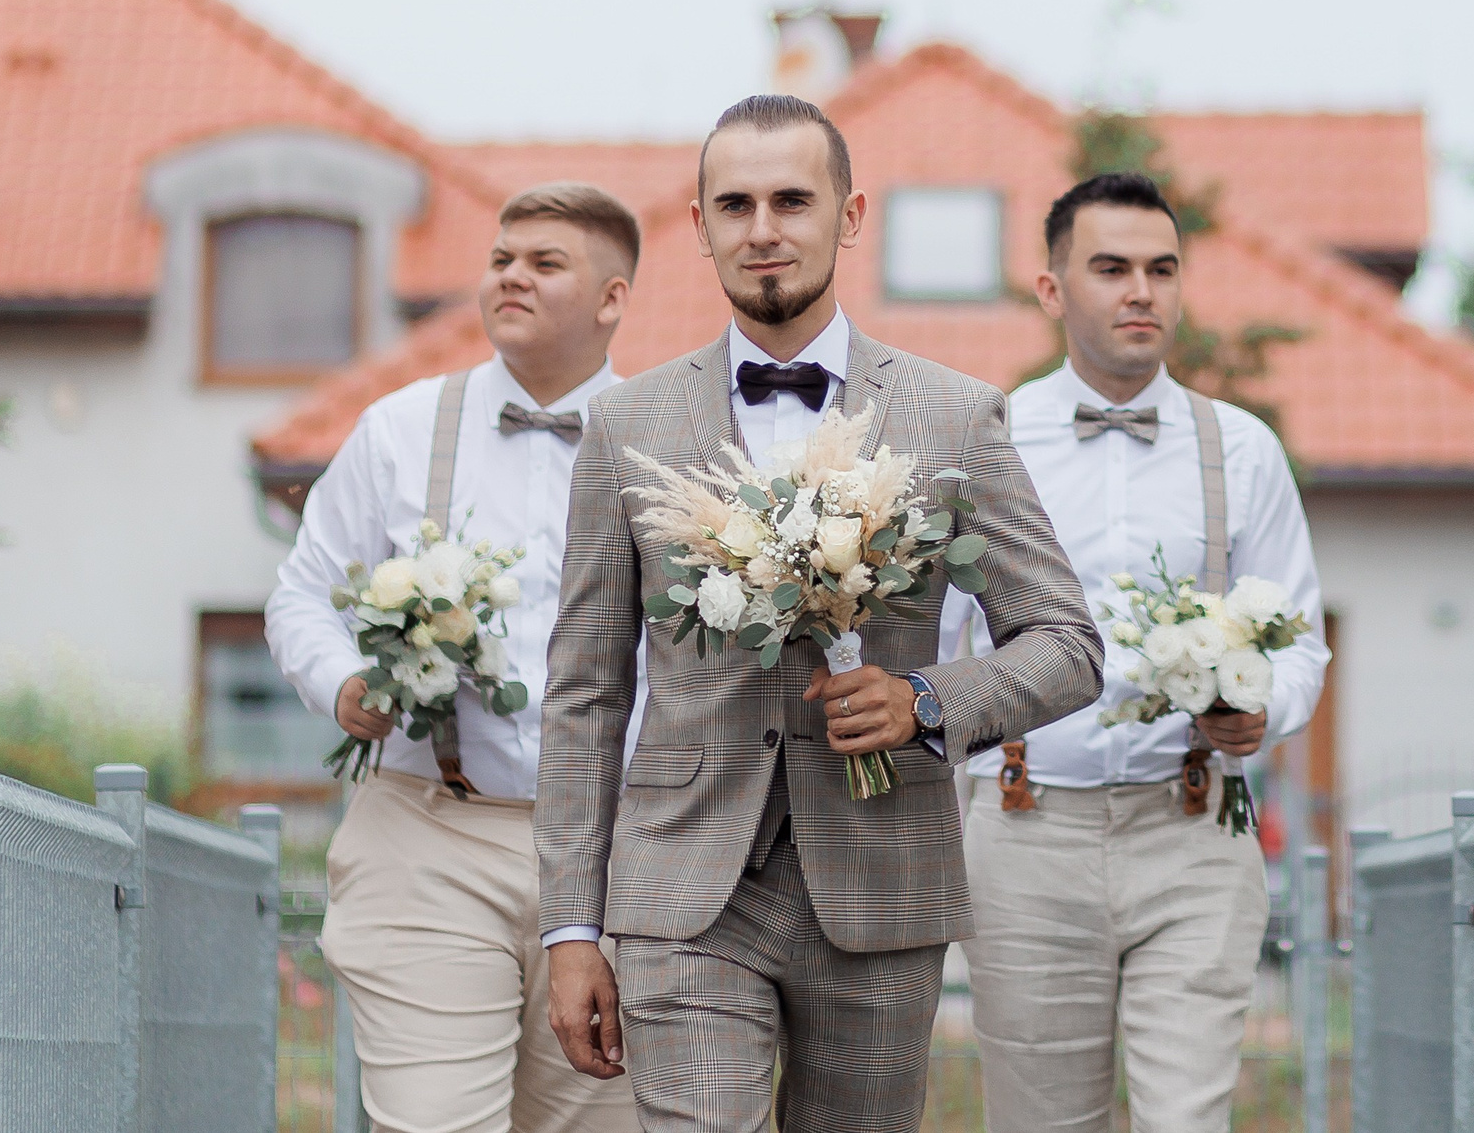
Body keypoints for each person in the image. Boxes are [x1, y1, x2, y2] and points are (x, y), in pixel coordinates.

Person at [535, 94, 1104, 1133]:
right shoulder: (625, 425)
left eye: (792, 200)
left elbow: (1067, 643)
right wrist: (570, 923)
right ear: (698, 222)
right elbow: (584, 691)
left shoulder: (953, 414)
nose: (763, 228)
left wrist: (925, 696)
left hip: (881, 878)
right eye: (736, 203)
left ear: (848, 215)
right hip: (684, 888)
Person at [940, 170, 1330, 1133]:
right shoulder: (985, 440)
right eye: (1111, 268)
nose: (1140, 290)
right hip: (1025, 833)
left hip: (1192, 830)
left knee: (1186, 1119)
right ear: (1052, 289)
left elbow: (1303, 644)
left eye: (1161, 268)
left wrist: (1260, 709)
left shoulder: (1240, 449)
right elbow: (942, 649)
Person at [265, 182, 646, 1133]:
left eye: (545, 262)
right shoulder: (400, 430)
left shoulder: (668, 443)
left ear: (612, 298)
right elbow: (301, 593)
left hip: (620, 854)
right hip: (429, 834)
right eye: (501, 258)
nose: (511, 275)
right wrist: (344, 681)